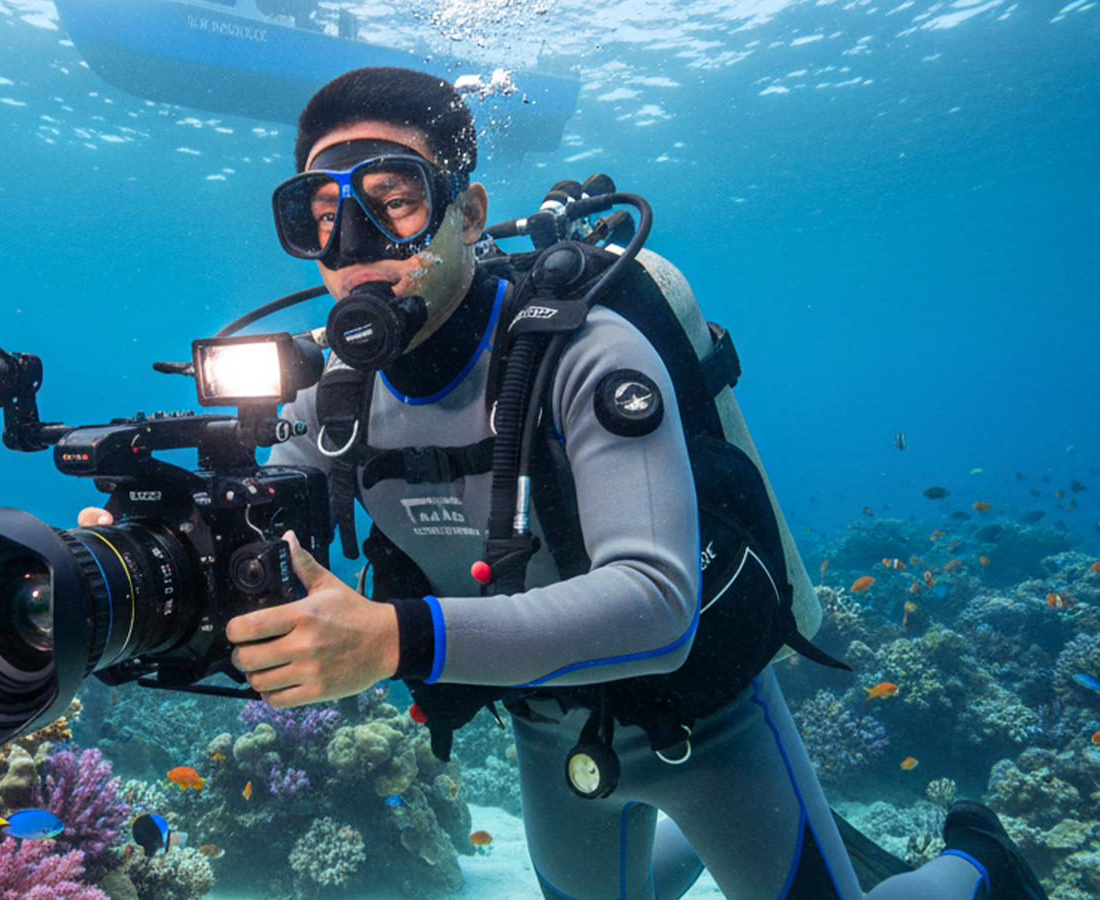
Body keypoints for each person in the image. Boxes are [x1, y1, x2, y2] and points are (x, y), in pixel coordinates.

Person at [85, 67, 1048, 900]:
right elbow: (271, 542)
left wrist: (391, 639)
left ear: (466, 212)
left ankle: (975, 861)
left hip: (706, 718)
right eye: (323, 215)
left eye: (395, 201)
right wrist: (129, 576)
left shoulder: (585, 350)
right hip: (546, 730)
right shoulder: (332, 395)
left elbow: (657, 607)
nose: (354, 245)